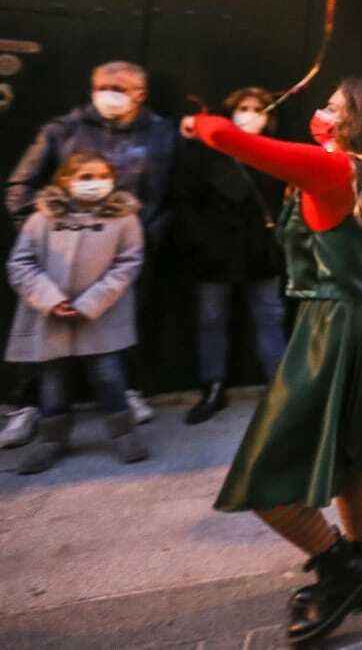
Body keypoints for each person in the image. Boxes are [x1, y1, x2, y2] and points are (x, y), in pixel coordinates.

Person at [180, 77, 362, 645]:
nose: (320, 113)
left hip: (334, 332)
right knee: (349, 459)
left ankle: (343, 569)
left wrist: (200, 121)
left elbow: (229, 139)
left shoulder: (334, 171)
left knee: (266, 478)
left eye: (332, 107)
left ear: (353, 123)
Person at [4, 60, 175, 438]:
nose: (109, 93)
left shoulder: (162, 133)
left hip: (127, 248)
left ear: (140, 94)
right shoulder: (62, 130)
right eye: (102, 85)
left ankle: (124, 394)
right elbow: (20, 186)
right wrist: (47, 232)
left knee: (121, 326)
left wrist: (147, 234)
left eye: (119, 87)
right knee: (47, 328)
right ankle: (27, 404)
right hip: (62, 252)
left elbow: (168, 190)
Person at [6, 152, 146, 474]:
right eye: (85, 177)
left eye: (101, 175)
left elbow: (128, 264)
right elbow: (20, 263)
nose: (95, 183)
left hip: (99, 316)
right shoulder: (41, 218)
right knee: (53, 382)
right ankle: (52, 439)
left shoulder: (124, 218)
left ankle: (123, 431)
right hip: (50, 317)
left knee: (109, 375)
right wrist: (52, 300)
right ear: (65, 180)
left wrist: (89, 303)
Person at [172, 87, 288, 426]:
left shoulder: (274, 152)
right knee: (211, 318)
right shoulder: (206, 149)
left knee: (270, 316)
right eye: (243, 107)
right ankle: (214, 385)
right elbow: (185, 198)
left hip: (261, 250)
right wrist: (201, 242)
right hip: (214, 250)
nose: (250, 114)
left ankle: (279, 386)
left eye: (258, 109)